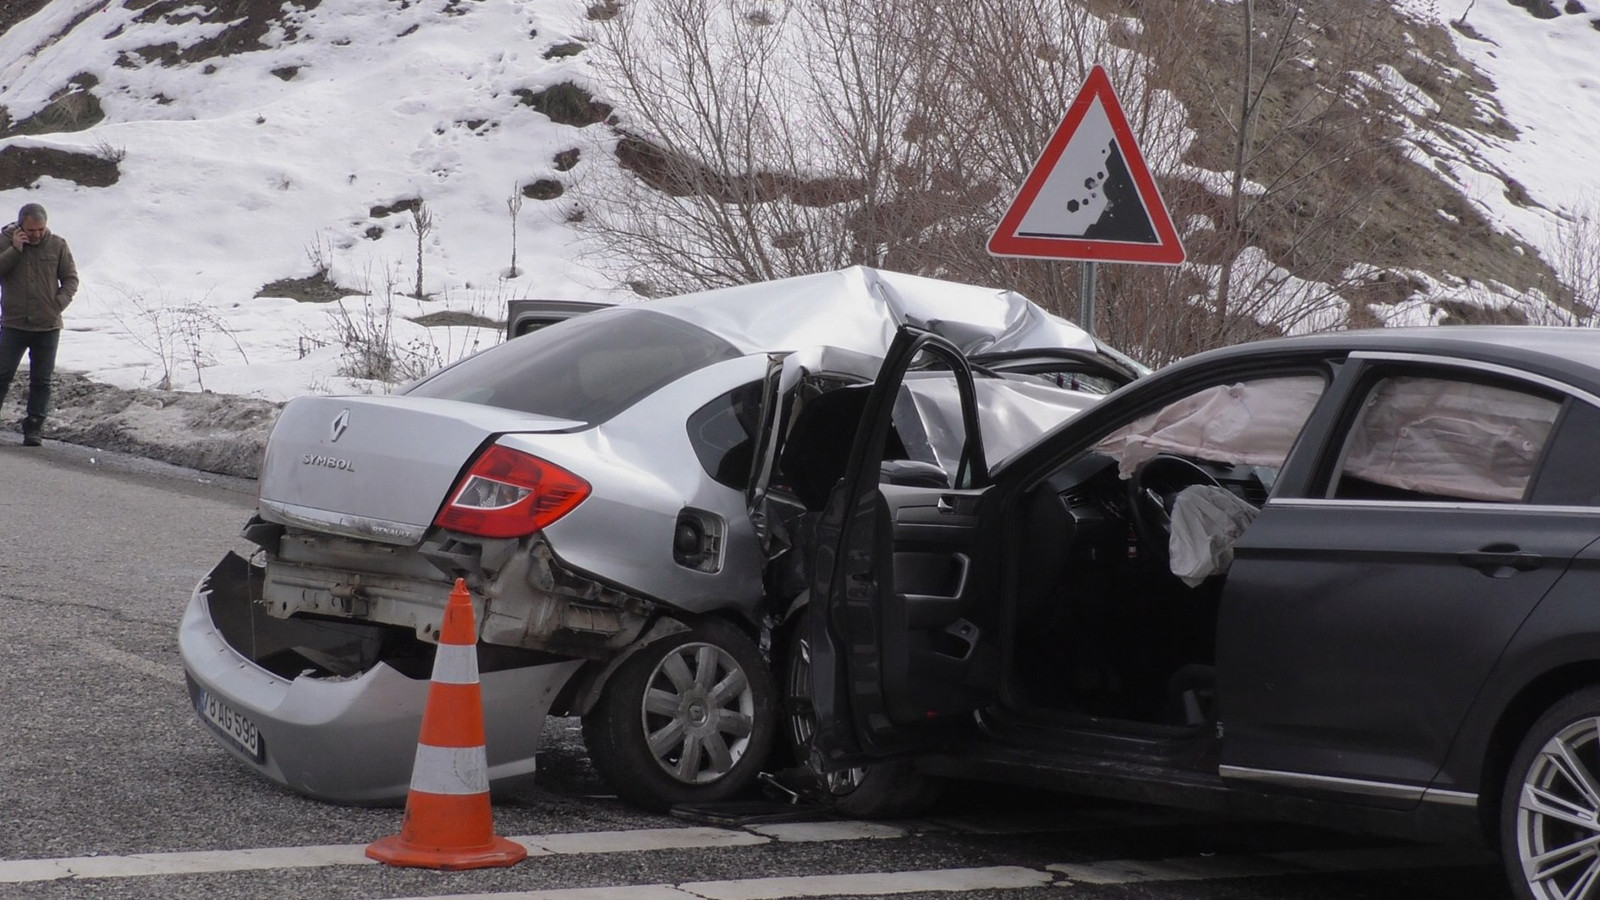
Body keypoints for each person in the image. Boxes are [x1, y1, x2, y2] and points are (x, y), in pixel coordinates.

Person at [0, 203, 78, 446]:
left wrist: (57, 304)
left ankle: (34, 427)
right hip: (14, 324)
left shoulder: (57, 245)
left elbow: (70, 279)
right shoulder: (5, 242)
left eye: (40, 230)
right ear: (21, 226)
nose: (36, 234)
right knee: (2, 374)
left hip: (48, 326)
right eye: (31, 230)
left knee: (42, 380)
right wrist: (15, 249)